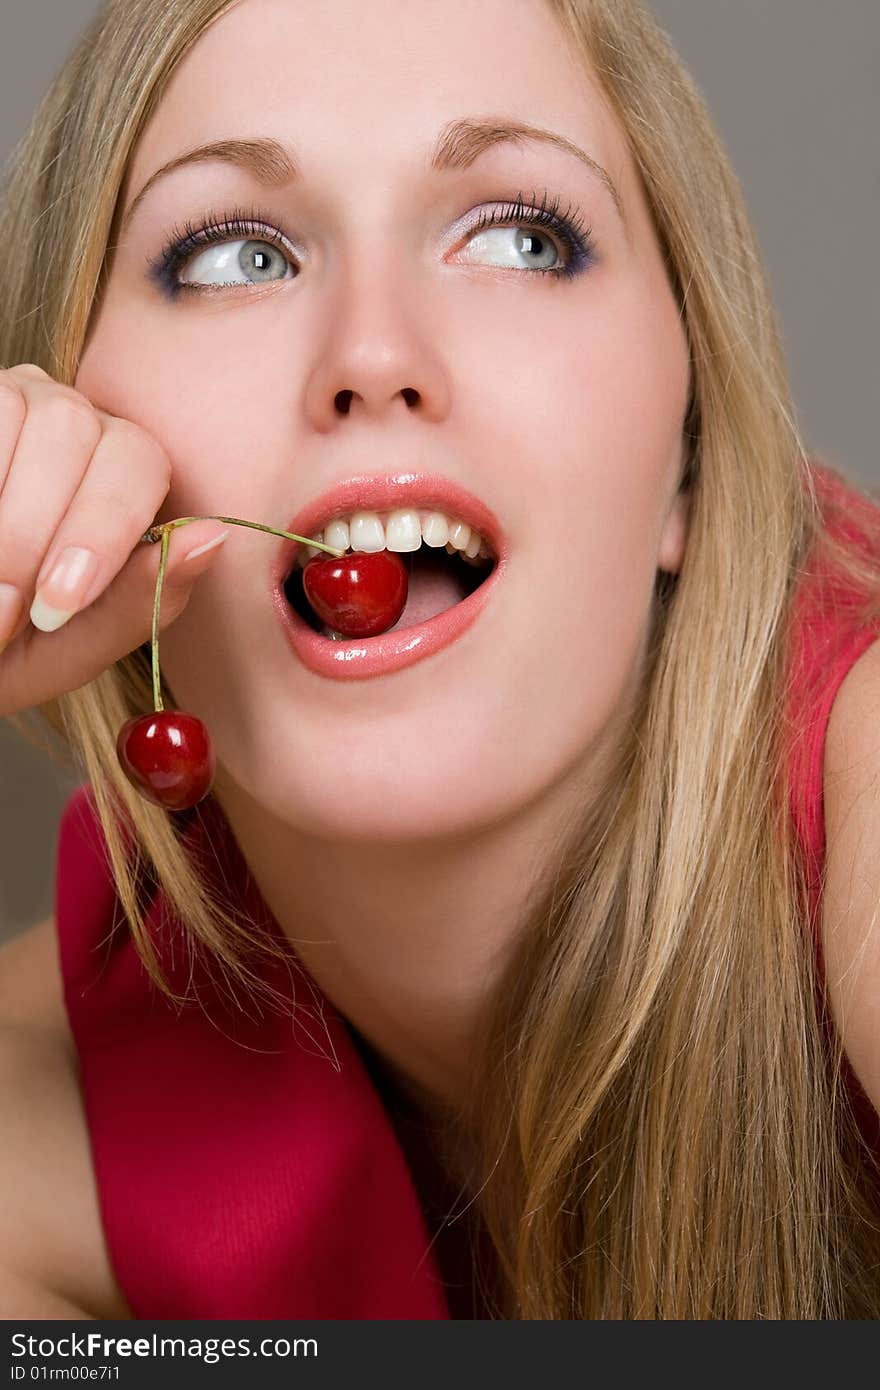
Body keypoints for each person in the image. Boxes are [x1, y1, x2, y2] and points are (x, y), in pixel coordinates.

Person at [0, 0, 879, 1321]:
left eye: (524, 236)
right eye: (236, 255)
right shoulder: (53, 1118)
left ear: (686, 457)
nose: (371, 356)